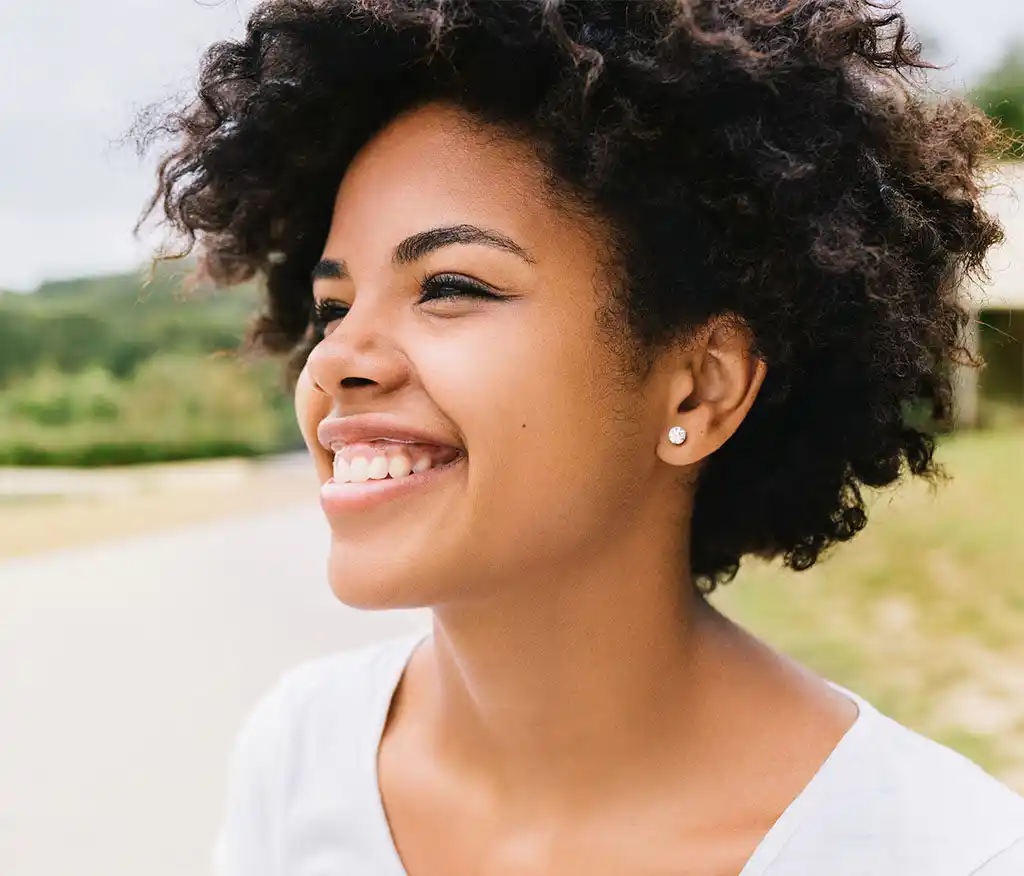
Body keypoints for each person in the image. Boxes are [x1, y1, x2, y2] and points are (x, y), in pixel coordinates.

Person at [139, 1, 1024, 873]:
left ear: (702, 387)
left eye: (450, 284)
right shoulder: (298, 756)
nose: (336, 361)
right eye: (334, 308)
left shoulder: (944, 852)